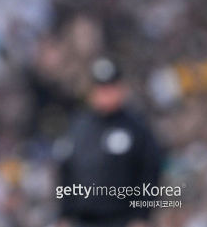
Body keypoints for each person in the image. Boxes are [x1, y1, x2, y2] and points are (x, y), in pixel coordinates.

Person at [56, 57, 162, 227]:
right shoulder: (78, 127)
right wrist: (64, 214)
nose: (105, 93)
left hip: (122, 220)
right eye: (100, 88)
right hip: (82, 220)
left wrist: (142, 215)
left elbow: (150, 172)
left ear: (121, 89)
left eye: (111, 87)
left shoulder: (137, 128)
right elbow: (66, 173)